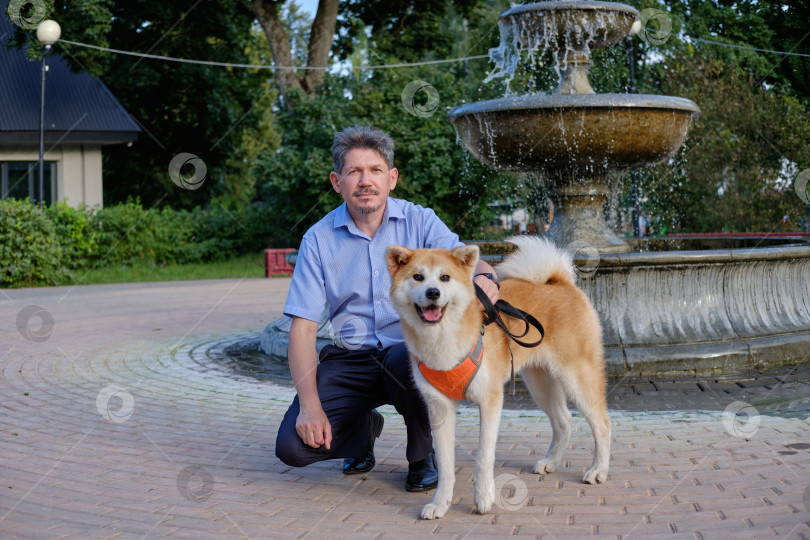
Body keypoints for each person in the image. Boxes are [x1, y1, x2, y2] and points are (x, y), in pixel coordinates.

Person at [275, 126, 500, 492]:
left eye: (375, 170)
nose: (366, 181)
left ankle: (421, 456)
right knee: (293, 448)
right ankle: (361, 432)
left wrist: (489, 279)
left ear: (392, 178)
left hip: (407, 352)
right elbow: (302, 329)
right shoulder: (317, 240)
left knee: (414, 362)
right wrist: (309, 406)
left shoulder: (420, 220)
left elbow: (468, 262)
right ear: (337, 181)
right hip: (349, 359)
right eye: (354, 172)